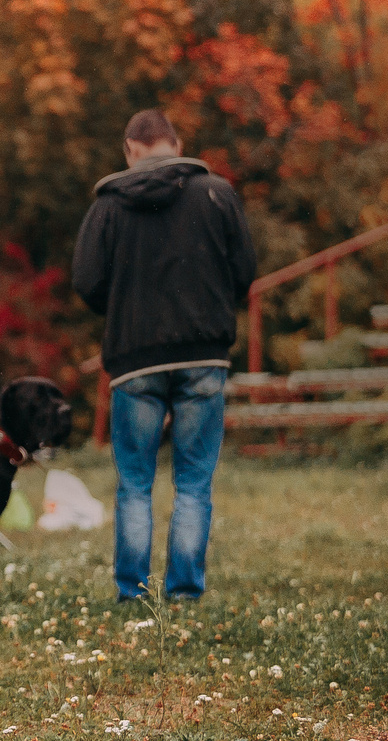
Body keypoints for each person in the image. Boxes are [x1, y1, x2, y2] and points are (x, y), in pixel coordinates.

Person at [70, 109, 258, 602]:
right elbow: (245, 271)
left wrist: (121, 310)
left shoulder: (109, 205)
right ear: (176, 143)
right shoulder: (217, 193)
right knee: (194, 482)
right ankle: (184, 592)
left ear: (130, 150)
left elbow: (86, 281)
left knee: (135, 482)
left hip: (135, 358)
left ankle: (132, 592)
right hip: (204, 355)